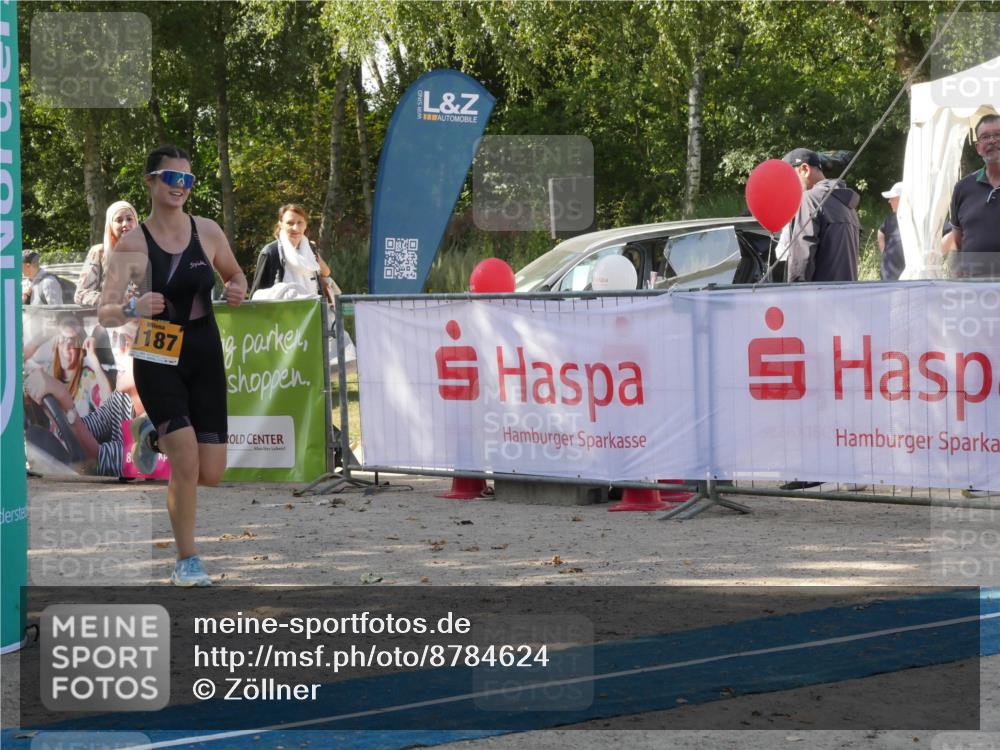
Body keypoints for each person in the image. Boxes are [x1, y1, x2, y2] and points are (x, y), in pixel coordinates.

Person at [98, 144, 247, 587]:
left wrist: (237, 287)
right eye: (171, 178)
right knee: (184, 459)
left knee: (210, 472)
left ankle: (154, 432)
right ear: (151, 182)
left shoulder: (208, 231)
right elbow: (105, 311)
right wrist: (132, 306)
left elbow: (235, 274)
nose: (180, 187)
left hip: (204, 350)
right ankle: (187, 561)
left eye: (187, 180)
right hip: (157, 353)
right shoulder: (132, 243)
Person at [23, 322, 150, 477]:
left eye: (125, 342)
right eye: (114, 340)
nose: (116, 351)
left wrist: (64, 398)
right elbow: (79, 431)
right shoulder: (121, 399)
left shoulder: (163, 416)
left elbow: (97, 459)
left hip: (140, 499)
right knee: (35, 436)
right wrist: (51, 400)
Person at [782, 147, 861, 283]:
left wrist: (793, 293)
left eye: (789, 177)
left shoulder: (810, 199)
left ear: (805, 170)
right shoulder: (847, 205)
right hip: (847, 296)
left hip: (820, 298)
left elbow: (802, 260)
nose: (787, 186)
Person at [23, 314, 112, 418]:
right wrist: (44, 335)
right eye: (62, 340)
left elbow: (109, 408)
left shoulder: (88, 377)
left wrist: (93, 358)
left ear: (80, 348)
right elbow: (16, 363)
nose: (66, 348)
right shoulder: (49, 371)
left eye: (72, 342)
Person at [948, 114, 1000, 278]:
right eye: (985, 137)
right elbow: (956, 242)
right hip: (975, 292)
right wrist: (956, 279)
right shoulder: (963, 188)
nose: (992, 140)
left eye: (998, 134)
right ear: (978, 148)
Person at [249, 203, 335, 301]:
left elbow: (326, 273)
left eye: (300, 222)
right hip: (283, 313)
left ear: (306, 225)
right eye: (290, 223)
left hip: (313, 311)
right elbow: (256, 295)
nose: (296, 228)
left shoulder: (310, 249)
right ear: (281, 224)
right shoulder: (271, 252)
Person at [75, 200, 141, 305]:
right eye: (119, 220)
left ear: (136, 222)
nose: (125, 224)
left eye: (129, 219)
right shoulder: (99, 252)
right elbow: (80, 294)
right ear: (110, 225)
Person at [877, 182, 905, 281]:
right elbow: (881, 231)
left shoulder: (917, 218)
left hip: (907, 280)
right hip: (887, 279)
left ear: (902, 199)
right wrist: (884, 252)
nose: (889, 201)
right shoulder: (891, 218)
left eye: (892, 197)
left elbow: (950, 232)